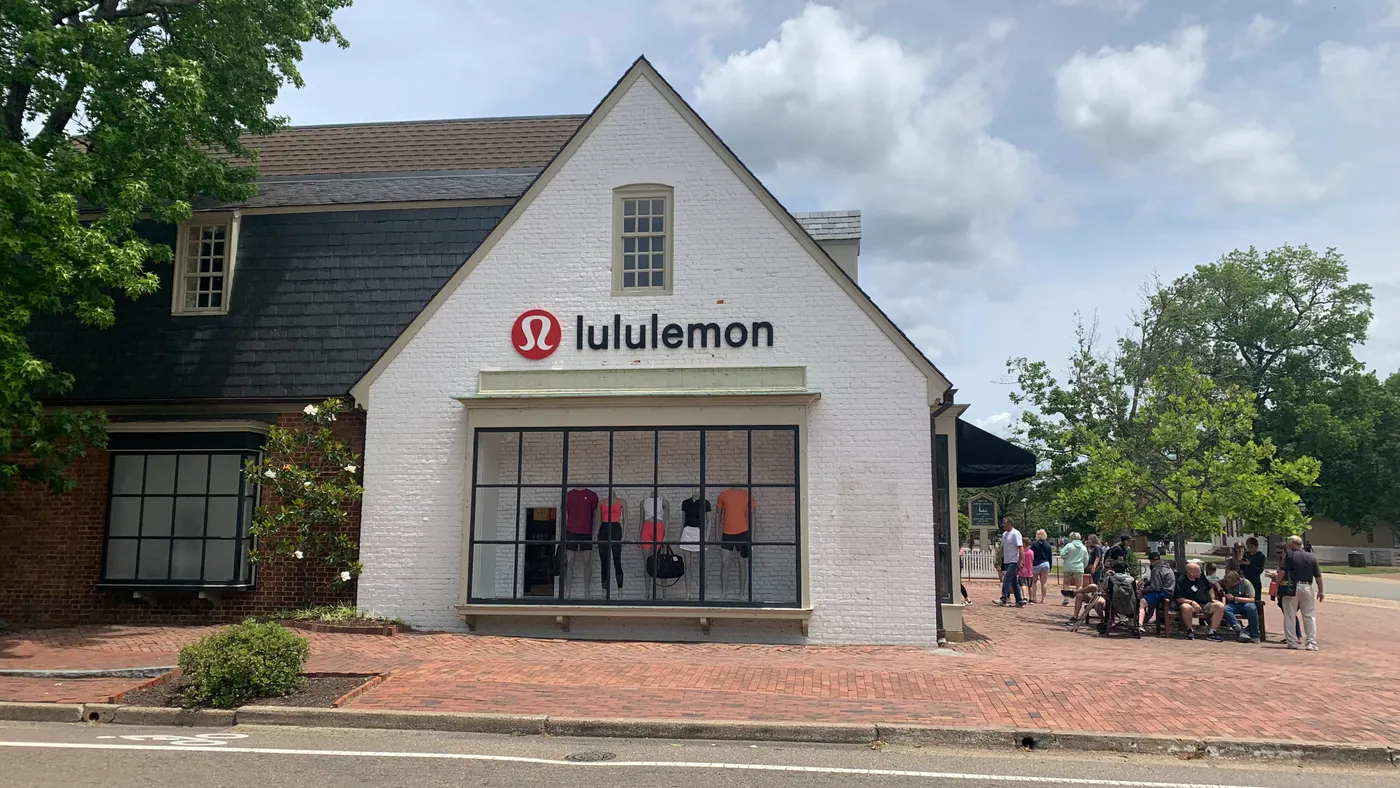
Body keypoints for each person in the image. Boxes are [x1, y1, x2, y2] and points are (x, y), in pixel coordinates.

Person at [1282, 535, 1324, 650]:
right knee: (1309, 615)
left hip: (1292, 587)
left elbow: (1282, 572)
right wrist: (1320, 591)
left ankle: (1292, 642)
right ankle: (1311, 642)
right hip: (1307, 586)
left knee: (1290, 615)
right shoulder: (1311, 556)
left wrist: (1276, 587)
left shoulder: (1289, 555)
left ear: (1292, 544)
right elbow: (1318, 576)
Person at [1173, 561, 1227, 641]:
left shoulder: (1201, 577)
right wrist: (1192, 602)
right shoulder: (1181, 581)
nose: (1201, 572)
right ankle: (1190, 631)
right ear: (1191, 574)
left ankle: (1212, 632)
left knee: (1220, 606)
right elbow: (1179, 599)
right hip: (1190, 604)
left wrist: (1213, 598)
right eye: (1198, 571)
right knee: (1186, 607)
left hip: (1204, 603)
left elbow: (1210, 588)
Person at [1137, 551, 1175, 632]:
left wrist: (1143, 591)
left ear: (1151, 560)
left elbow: (1155, 587)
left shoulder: (1156, 569)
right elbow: (1158, 581)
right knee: (1149, 599)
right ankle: (1146, 619)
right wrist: (1146, 582)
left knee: (1142, 602)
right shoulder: (1166, 567)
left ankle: (1139, 624)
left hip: (1162, 592)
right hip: (1169, 591)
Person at [1219, 570, 1260, 643]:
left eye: (1232, 584)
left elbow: (1252, 599)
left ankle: (1255, 635)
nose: (1230, 586)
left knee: (1251, 608)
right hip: (1234, 605)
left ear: (1238, 580)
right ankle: (1240, 631)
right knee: (1226, 609)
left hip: (1246, 604)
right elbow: (1216, 582)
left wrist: (1234, 598)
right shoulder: (1226, 581)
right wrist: (1219, 587)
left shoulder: (1246, 583)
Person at [1240, 538, 1267, 640]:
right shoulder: (1246, 555)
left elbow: (1259, 570)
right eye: (1248, 547)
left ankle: (1257, 627)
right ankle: (1249, 626)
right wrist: (1242, 563)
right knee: (1245, 603)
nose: (1250, 549)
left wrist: (1250, 564)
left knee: (1256, 604)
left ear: (1256, 547)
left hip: (1255, 582)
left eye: (1251, 547)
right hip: (1245, 582)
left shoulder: (1260, 556)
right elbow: (1241, 568)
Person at [999, 517, 1025, 607]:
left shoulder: (1015, 533)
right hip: (1007, 560)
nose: (1003, 525)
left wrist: (1020, 560)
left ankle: (1003, 598)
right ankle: (1019, 600)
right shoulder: (1004, 534)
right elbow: (1003, 548)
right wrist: (998, 559)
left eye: (1005, 523)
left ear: (1010, 523)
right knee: (1014, 581)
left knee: (1006, 578)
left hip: (1014, 560)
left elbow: (1020, 548)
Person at [1060, 533, 1089, 603]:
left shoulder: (1069, 545)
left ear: (1072, 538)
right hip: (1079, 567)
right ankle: (1078, 599)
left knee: (1066, 583)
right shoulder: (1083, 547)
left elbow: (1062, 554)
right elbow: (1086, 559)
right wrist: (1083, 566)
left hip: (1068, 567)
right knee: (1079, 585)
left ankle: (1066, 598)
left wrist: (1066, 557)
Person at [1031, 529, 1053, 604]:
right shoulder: (1048, 545)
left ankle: (1034, 597)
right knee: (1044, 582)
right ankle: (1043, 598)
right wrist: (1050, 566)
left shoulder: (1034, 544)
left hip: (1036, 563)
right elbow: (1050, 556)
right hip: (1045, 563)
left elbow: (1031, 555)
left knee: (1034, 582)